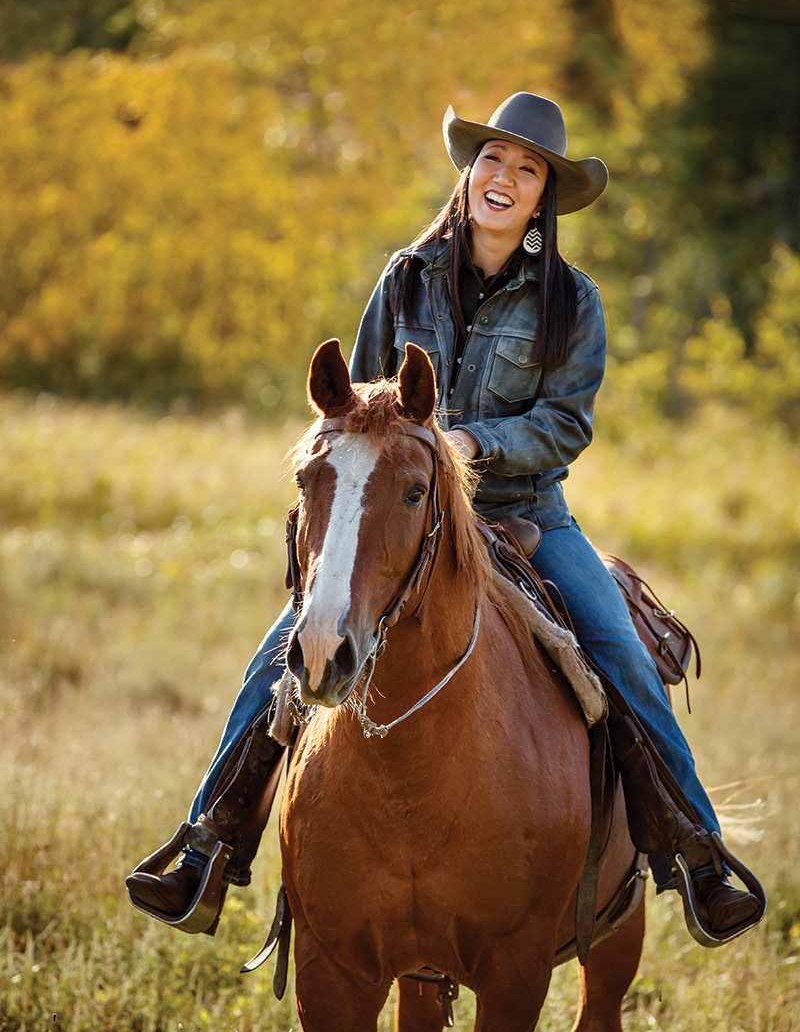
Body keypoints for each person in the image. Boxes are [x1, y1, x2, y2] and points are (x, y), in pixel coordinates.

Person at [127, 91, 761, 941]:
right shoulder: (404, 276)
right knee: (284, 650)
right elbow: (349, 404)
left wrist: (469, 444)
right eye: (492, 159)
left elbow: (566, 425)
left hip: (524, 512)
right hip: (399, 516)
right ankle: (209, 848)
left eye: (527, 169)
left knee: (618, 655)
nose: (504, 177)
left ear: (544, 199)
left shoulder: (574, 303)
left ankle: (697, 857)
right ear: (470, 173)